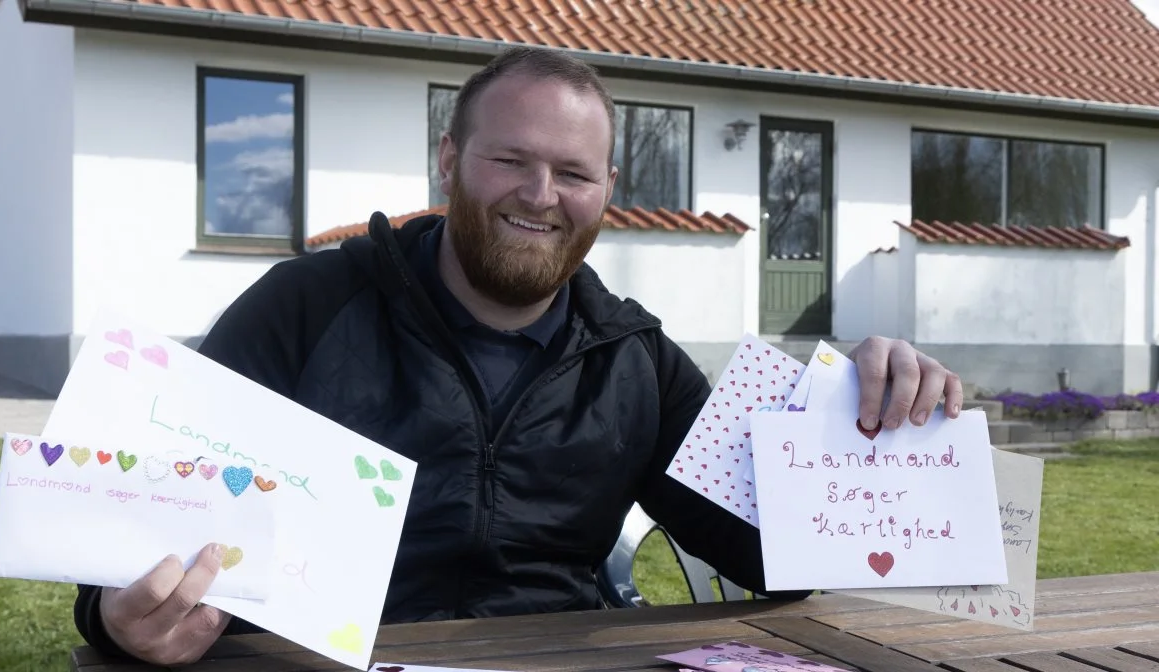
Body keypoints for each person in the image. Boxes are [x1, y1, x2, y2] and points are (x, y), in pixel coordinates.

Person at [71, 45, 965, 666]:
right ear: (450, 160)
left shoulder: (634, 358)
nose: (541, 197)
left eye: (574, 174)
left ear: (609, 189)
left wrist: (867, 420)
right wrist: (119, 624)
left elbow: (778, 557)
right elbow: (137, 533)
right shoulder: (304, 308)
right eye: (510, 162)